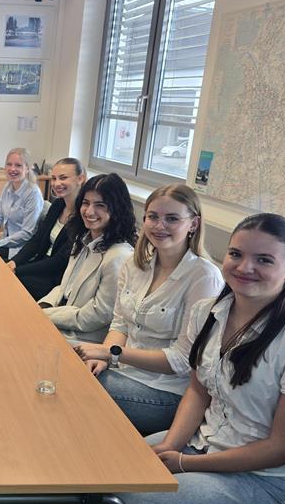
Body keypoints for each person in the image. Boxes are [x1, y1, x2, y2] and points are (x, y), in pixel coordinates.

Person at [80, 213, 285, 504]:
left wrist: (184, 463)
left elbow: (281, 448)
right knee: (107, 472)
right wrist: (171, 445)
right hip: (203, 443)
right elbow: (198, 392)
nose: (245, 267)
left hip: (265, 481)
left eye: (264, 260)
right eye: (236, 254)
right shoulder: (208, 312)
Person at [75, 185, 223, 435]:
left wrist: (111, 353)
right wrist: (102, 357)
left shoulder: (204, 277)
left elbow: (182, 360)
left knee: (76, 386)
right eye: (153, 217)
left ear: (194, 224)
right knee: (69, 367)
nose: (159, 226)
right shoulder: (134, 265)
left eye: (172, 219)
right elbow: (120, 324)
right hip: (123, 372)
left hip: (166, 392)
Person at [39, 173, 136, 344]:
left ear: (117, 209)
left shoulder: (119, 256)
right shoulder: (82, 239)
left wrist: (45, 316)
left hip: (83, 338)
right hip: (61, 319)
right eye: (86, 203)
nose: (89, 211)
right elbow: (64, 288)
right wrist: (43, 306)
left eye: (100, 205)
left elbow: (98, 315)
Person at [7, 158, 86, 300]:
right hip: (41, 265)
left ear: (80, 179)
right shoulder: (57, 205)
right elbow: (37, 240)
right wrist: (15, 262)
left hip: (57, 278)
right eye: (54, 178)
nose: (56, 183)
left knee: (11, 283)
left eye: (63, 178)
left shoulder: (83, 216)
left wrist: (18, 270)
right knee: (4, 269)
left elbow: (59, 261)